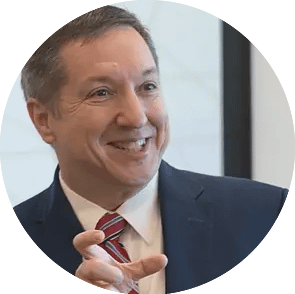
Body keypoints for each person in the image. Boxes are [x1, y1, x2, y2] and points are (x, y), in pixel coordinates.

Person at [13, 6, 288, 294]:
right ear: (43, 120)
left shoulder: (266, 216)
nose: (137, 117)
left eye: (147, 86)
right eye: (101, 93)